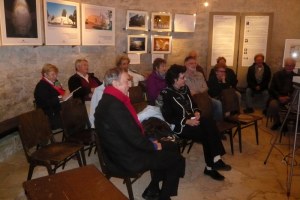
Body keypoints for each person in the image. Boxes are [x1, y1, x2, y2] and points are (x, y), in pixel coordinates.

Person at [94, 67, 185, 200]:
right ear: (115, 84)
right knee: (176, 159)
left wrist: (152, 142)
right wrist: (153, 146)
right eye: (126, 81)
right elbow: (134, 139)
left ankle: (152, 189)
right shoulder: (114, 107)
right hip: (125, 158)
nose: (130, 85)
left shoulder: (108, 99)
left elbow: (130, 134)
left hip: (121, 149)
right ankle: (163, 197)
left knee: (171, 146)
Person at [159, 64, 231, 181]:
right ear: (174, 80)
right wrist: (187, 121)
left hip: (193, 120)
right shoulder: (166, 94)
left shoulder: (185, 88)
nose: (185, 79)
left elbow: (194, 105)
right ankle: (212, 165)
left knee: (209, 122)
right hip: (180, 126)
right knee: (206, 134)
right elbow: (168, 117)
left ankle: (215, 161)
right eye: (182, 78)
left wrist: (197, 112)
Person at [184, 56, 223, 121]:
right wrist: (199, 90)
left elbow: (205, 88)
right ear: (185, 64)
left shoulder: (200, 74)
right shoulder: (183, 76)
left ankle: (217, 124)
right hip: (193, 100)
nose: (193, 65)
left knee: (218, 103)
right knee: (200, 108)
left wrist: (196, 91)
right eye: (191, 63)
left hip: (204, 97)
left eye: (195, 63)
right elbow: (189, 91)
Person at [34, 64, 70, 130]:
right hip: (50, 115)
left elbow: (60, 91)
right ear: (45, 75)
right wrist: (61, 98)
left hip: (59, 109)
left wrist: (66, 93)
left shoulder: (55, 82)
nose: (55, 77)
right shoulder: (41, 86)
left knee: (76, 112)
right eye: (53, 74)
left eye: (56, 74)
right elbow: (45, 103)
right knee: (73, 117)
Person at [268, 57, 298, 130]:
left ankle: (285, 123)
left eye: (291, 65)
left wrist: (289, 97)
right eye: (287, 65)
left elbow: (296, 91)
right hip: (278, 97)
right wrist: (279, 97)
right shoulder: (277, 75)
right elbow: (272, 89)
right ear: (284, 65)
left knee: (294, 107)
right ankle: (277, 122)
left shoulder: (297, 77)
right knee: (273, 104)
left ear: (294, 67)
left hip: (291, 99)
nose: (289, 67)